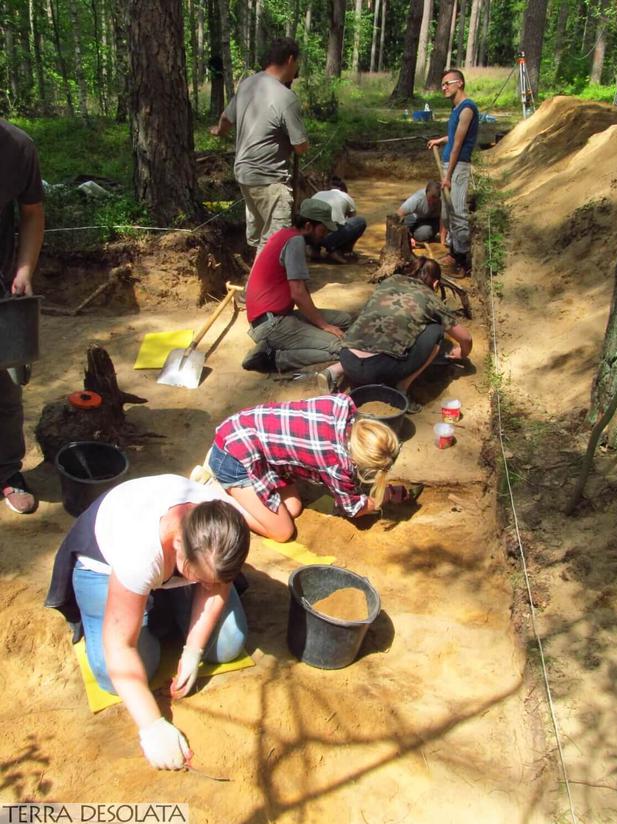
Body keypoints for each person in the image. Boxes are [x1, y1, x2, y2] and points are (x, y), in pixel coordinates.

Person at [45, 474, 251, 770]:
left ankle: (157, 601)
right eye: (199, 578)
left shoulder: (228, 529)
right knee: (123, 671)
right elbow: (120, 647)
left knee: (227, 643)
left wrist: (193, 651)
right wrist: (152, 727)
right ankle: (141, 603)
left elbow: (218, 583)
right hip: (102, 565)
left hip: (169, 568)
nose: (206, 586)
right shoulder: (138, 553)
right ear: (178, 544)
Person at [207, 394, 401, 542]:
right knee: (282, 532)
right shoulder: (335, 463)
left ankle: (243, 495)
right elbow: (353, 508)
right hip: (233, 458)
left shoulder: (341, 405)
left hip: (247, 434)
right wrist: (385, 496)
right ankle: (218, 497)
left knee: (293, 508)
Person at [210, 38, 308, 252]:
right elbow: (300, 146)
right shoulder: (287, 98)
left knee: (262, 237)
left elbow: (226, 118)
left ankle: (257, 281)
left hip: (245, 175)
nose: (297, 70)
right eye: (297, 63)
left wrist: (219, 132)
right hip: (269, 178)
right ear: (290, 59)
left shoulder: (247, 84)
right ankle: (262, 285)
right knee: (275, 243)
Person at [337, 258, 473, 412]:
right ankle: (401, 389)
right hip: (378, 369)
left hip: (347, 358)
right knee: (436, 330)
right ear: (435, 284)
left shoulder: (389, 281)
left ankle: (335, 371)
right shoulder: (431, 298)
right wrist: (462, 353)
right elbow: (466, 338)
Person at [241, 198, 352, 384]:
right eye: (322, 230)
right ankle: (274, 358)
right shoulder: (295, 241)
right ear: (308, 225)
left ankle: (282, 346)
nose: (323, 236)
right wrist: (324, 326)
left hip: (279, 316)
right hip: (271, 325)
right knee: (339, 346)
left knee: (344, 320)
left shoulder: (288, 234)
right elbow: (298, 292)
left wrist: (317, 321)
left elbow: (301, 286)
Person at [0, 119, 45, 514]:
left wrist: (24, 268)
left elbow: (31, 212)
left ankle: (6, 472)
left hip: (0, 284)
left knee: (6, 385)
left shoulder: (17, 147)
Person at [427, 68, 479, 278]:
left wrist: (448, 177)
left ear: (460, 84)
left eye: (447, 83)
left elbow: (459, 144)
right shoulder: (456, 108)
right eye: (442, 84)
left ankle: (463, 260)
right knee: (447, 213)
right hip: (449, 164)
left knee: (457, 212)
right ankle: (453, 251)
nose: (444, 88)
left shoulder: (467, 108)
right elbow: (453, 136)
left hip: (458, 166)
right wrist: (440, 140)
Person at [310, 177, 367, 263]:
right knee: (360, 221)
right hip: (328, 236)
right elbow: (352, 221)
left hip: (310, 236)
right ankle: (342, 251)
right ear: (344, 190)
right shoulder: (346, 197)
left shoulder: (318, 194)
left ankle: (315, 250)